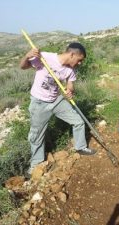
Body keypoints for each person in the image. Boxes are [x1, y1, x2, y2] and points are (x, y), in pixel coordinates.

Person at [20, 42, 96, 176]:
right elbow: (23, 66)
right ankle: (35, 166)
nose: (80, 63)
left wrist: (69, 91)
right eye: (79, 60)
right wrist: (27, 56)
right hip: (39, 103)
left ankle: (81, 147)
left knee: (78, 121)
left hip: (56, 100)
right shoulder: (45, 57)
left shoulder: (71, 69)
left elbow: (70, 85)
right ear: (72, 54)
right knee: (36, 135)